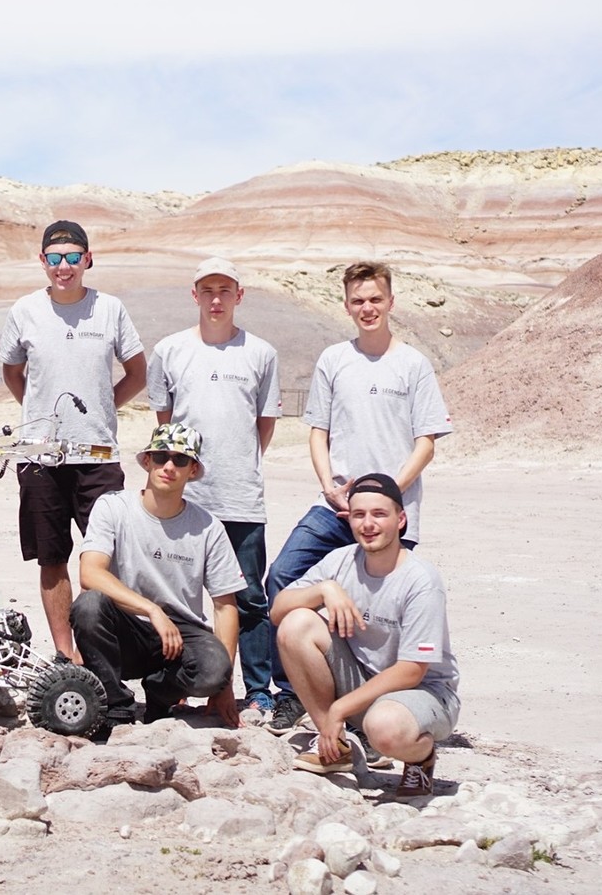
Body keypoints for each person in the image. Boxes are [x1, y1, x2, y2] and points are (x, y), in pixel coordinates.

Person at [263, 261, 453, 751]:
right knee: (284, 577)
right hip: (336, 504)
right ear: (346, 305)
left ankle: (385, 707)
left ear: (390, 302)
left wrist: (387, 493)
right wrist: (330, 486)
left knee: (381, 609)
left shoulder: (412, 364)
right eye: (358, 301)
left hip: (387, 510)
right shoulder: (334, 359)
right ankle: (294, 693)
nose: (367, 308)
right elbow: (318, 431)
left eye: (375, 299)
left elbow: (426, 441)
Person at [0, 220, 146, 663]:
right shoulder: (24, 310)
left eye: (72, 257)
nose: (63, 267)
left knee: (109, 559)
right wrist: (40, 414)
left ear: (87, 260)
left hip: (97, 455)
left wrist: (102, 407)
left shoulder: (110, 309)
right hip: (40, 457)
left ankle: (107, 654)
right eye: (54, 258)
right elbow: (12, 372)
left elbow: (138, 373)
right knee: (52, 557)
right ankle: (67, 655)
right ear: (42, 262)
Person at [147, 257, 281, 717]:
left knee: (249, 598)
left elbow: (263, 425)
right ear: (195, 295)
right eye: (208, 290)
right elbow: (166, 425)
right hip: (185, 498)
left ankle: (258, 690)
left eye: (225, 290)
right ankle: (178, 684)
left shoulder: (260, 353)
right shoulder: (170, 350)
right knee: (177, 596)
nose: (216, 299)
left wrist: (237, 463)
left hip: (240, 497)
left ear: (239, 296)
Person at [270, 473, 459, 800]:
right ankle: (334, 745)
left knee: (384, 728)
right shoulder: (340, 560)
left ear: (401, 520)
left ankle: (421, 757)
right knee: (296, 623)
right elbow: (277, 611)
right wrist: (324, 590)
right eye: (359, 515)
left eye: (379, 514)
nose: (368, 524)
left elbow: (412, 671)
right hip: (362, 682)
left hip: (423, 693)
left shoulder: (421, 581)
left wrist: (340, 709)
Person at [73, 423, 244, 737]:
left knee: (214, 670)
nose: (169, 466)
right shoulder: (112, 507)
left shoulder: (208, 527)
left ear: (193, 470)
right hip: (127, 626)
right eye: (162, 456)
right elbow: (90, 573)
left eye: (180, 460)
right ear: (147, 461)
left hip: (181, 634)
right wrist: (152, 610)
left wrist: (225, 685)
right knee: (89, 605)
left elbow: (225, 606)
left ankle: (160, 694)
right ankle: (116, 705)